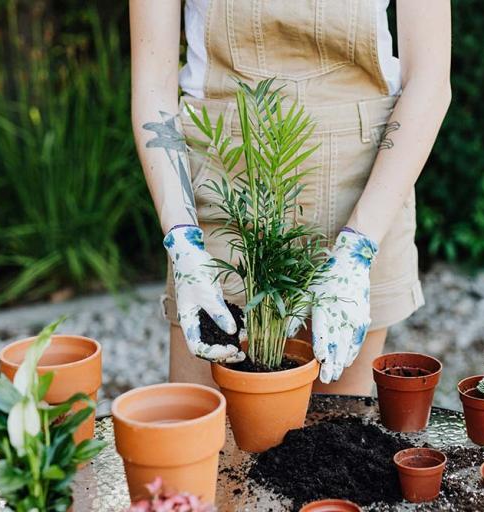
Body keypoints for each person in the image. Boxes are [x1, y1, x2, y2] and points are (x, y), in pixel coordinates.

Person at [130, 0, 451, 395]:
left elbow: (431, 79)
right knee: (206, 438)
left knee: (337, 441)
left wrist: (358, 247)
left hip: (363, 188)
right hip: (223, 182)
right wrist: (182, 239)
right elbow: (152, 87)